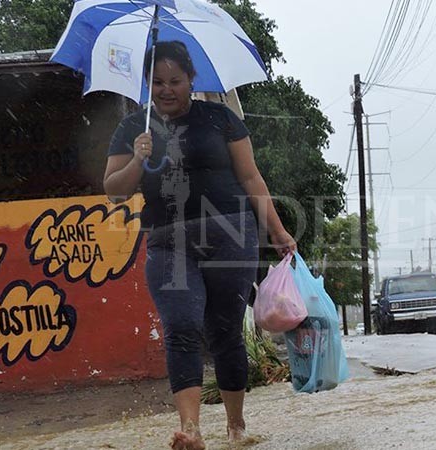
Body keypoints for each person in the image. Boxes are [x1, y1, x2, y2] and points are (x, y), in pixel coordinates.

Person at [103, 40, 295, 450]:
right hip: (167, 242)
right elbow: (114, 191)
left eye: (175, 80)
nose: (166, 90)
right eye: (157, 82)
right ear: (147, 83)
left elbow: (251, 178)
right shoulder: (133, 128)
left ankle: (236, 427)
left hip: (231, 235)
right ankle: (190, 431)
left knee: (225, 331)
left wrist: (277, 231)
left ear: (191, 79)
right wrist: (137, 159)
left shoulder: (220, 119)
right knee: (181, 327)